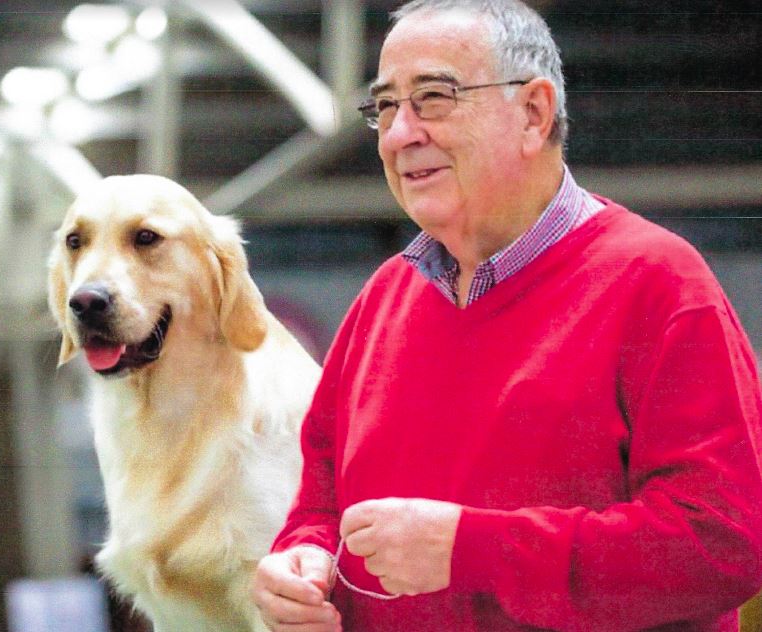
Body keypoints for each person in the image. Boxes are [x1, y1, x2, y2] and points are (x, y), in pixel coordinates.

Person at [251, 1, 762, 630]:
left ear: (533, 113)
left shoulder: (659, 285)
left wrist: (472, 551)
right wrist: (300, 563)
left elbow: (725, 542)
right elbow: (319, 505)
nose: (398, 134)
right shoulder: (381, 301)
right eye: (384, 107)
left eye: (433, 98)